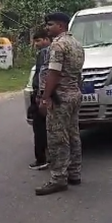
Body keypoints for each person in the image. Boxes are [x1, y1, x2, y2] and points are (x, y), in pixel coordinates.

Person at [36, 12, 85, 196]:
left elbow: (53, 74)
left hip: (60, 97)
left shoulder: (58, 45)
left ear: (61, 26)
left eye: (50, 24)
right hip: (74, 94)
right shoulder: (77, 44)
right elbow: (78, 73)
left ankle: (58, 178)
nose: (47, 28)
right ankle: (74, 173)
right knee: (73, 134)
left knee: (57, 138)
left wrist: (45, 97)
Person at [28, 28, 51, 170]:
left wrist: (41, 96)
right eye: (35, 41)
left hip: (41, 94)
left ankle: (41, 159)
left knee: (40, 127)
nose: (36, 44)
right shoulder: (49, 51)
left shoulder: (45, 53)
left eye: (38, 40)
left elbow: (43, 74)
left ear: (46, 40)